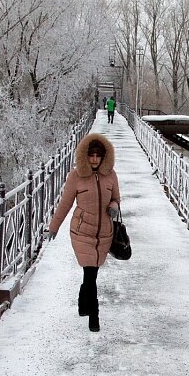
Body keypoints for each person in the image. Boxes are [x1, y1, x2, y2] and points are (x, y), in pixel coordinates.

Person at [47, 133, 120, 332]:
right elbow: (65, 204)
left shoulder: (111, 175)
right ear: (85, 156)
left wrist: (113, 207)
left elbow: (116, 199)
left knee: (91, 274)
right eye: (91, 155)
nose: (95, 159)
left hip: (104, 232)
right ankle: (94, 316)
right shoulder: (76, 176)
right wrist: (53, 227)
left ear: (104, 156)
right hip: (82, 232)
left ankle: (82, 302)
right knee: (90, 272)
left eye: (98, 155)